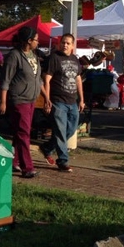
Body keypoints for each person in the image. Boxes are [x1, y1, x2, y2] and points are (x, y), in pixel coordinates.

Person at [0, 26, 44, 178]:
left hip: (31, 99)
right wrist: (3, 102)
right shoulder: (14, 56)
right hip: (18, 99)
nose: (38, 42)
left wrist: (46, 97)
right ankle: (27, 167)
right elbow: (5, 80)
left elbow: (39, 79)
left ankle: (14, 162)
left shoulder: (34, 55)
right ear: (29, 41)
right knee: (24, 133)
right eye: (36, 39)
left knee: (21, 132)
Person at [39, 33, 85, 172]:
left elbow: (78, 80)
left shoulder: (75, 59)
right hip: (58, 101)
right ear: (59, 43)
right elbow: (46, 79)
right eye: (63, 42)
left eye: (68, 43)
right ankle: (63, 161)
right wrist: (47, 99)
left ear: (72, 45)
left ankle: (47, 148)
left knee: (71, 130)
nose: (65, 45)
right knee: (60, 131)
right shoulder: (54, 58)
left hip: (72, 101)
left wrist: (82, 99)